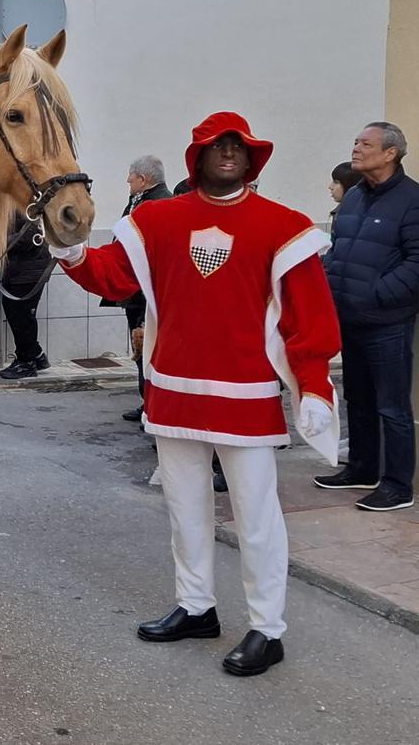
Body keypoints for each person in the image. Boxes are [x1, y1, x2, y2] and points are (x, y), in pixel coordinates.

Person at [50, 112, 340, 676]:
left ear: (252, 158)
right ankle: (196, 605)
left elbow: (310, 318)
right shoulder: (158, 218)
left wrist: (313, 384)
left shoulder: (284, 226)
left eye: (238, 146)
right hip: (174, 391)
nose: (229, 152)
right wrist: (72, 248)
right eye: (217, 145)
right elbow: (112, 274)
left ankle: (267, 628)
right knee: (185, 509)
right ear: (197, 157)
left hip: (247, 397)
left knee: (256, 517)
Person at [317, 122, 419, 511]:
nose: (355, 149)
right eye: (355, 142)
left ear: (390, 153)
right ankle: (362, 468)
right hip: (348, 315)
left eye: (365, 143)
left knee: (392, 405)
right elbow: (339, 249)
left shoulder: (412, 200)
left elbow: (416, 261)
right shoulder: (356, 197)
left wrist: (379, 295)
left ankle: (397, 486)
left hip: (387, 320)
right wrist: (328, 285)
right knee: (356, 397)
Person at [110, 155, 173, 421]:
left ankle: (155, 407)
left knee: (149, 348)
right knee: (140, 348)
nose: (128, 181)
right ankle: (147, 403)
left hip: (148, 293)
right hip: (136, 291)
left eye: (131, 177)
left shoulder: (159, 205)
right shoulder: (140, 200)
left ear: (144, 179)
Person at [0, 215, 52, 379]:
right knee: (15, 311)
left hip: (29, 270)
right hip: (21, 269)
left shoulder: (27, 205)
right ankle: (36, 355)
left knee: (22, 314)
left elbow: (29, 235)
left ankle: (26, 362)